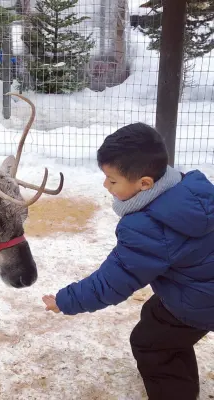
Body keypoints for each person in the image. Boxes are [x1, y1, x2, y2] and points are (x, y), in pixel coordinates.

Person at [42, 123, 214, 400]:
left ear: (145, 183)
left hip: (203, 300)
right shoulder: (191, 189)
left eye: (112, 180)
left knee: (151, 345)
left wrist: (65, 300)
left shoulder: (150, 227)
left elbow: (112, 281)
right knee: (158, 314)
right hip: (201, 284)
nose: (105, 185)